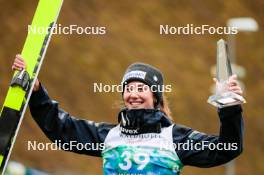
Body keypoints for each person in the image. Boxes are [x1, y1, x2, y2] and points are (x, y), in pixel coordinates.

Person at [12, 54, 244, 175]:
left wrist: (230, 107)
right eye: (129, 88)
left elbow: (228, 147)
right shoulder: (109, 136)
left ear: (155, 97)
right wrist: (37, 92)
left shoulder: (176, 139)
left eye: (141, 88)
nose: (133, 94)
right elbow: (62, 129)